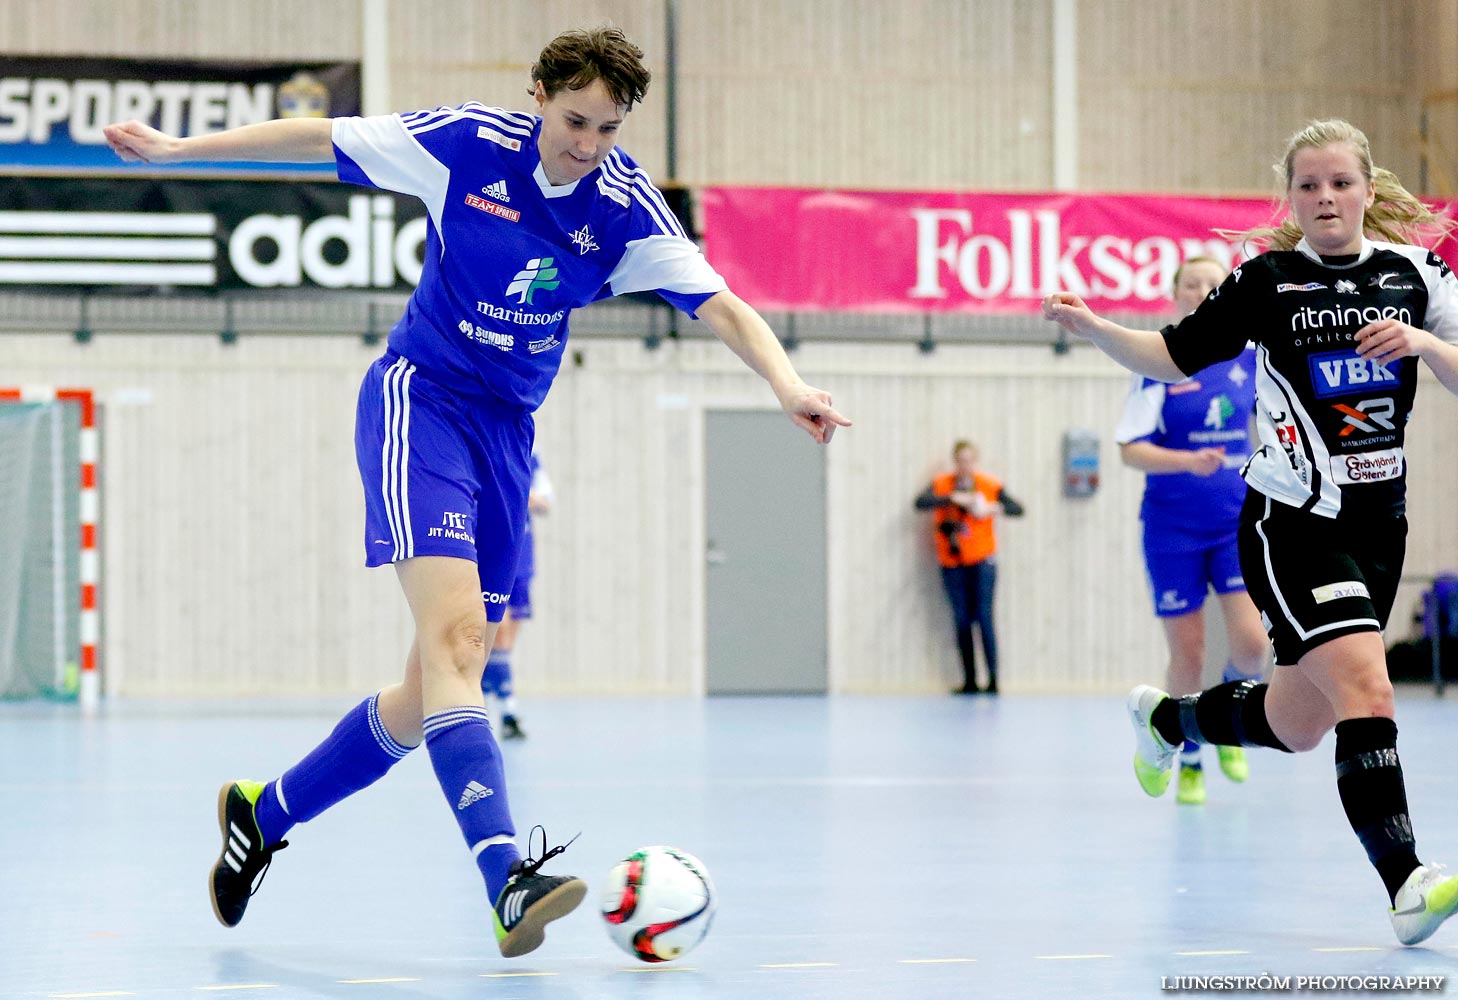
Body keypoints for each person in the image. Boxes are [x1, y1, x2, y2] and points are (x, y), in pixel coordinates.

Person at [104, 27, 848, 958]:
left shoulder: (622, 210)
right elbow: (318, 136)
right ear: (539, 94)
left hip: (507, 438)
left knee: (427, 694)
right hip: (423, 400)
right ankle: (505, 879)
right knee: (460, 644)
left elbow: (724, 306)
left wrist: (787, 385)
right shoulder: (463, 146)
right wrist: (182, 154)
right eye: (575, 119)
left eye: (608, 130)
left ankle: (266, 811)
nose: (587, 144)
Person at [1043, 119, 1458, 945]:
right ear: (1291, 198)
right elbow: (1173, 354)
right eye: (1308, 185)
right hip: (1293, 521)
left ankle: (1167, 722)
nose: (1325, 197)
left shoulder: (1417, 276)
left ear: (1367, 190)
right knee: (1368, 689)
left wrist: (1421, 343)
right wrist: (1095, 329)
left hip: (1383, 523)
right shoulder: (1267, 280)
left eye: (1340, 182)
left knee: (1299, 723)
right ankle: (1407, 881)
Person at [1113, 257, 1271, 805]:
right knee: (1188, 653)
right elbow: (1130, 450)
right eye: (1192, 284)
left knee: (1252, 649)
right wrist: (1185, 462)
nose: (1204, 292)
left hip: (1234, 522)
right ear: (1177, 294)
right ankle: (1192, 759)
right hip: (1172, 526)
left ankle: (1226, 706)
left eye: (1212, 283)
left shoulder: (1251, 360)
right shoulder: (1158, 363)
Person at [914, 440, 1024, 694]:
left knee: (984, 617)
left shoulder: (987, 485)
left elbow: (1017, 508)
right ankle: (970, 680)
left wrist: (990, 507)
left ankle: (993, 679)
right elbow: (920, 502)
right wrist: (952, 498)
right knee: (962, 619)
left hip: (982, 560)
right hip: (952, 562)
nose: (965, 465)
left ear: (975, 461)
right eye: (960, 460)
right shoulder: (943, 485)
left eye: (969, 460)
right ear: (955, 461)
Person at [482, 446, 553, 740]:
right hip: (489, 553)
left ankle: (487, 707)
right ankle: (507, 711)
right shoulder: (484, 452)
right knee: (495, 635)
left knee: (505, 641)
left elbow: (545, 503)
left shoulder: (529, 457)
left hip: (520, 558)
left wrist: (518, 496)